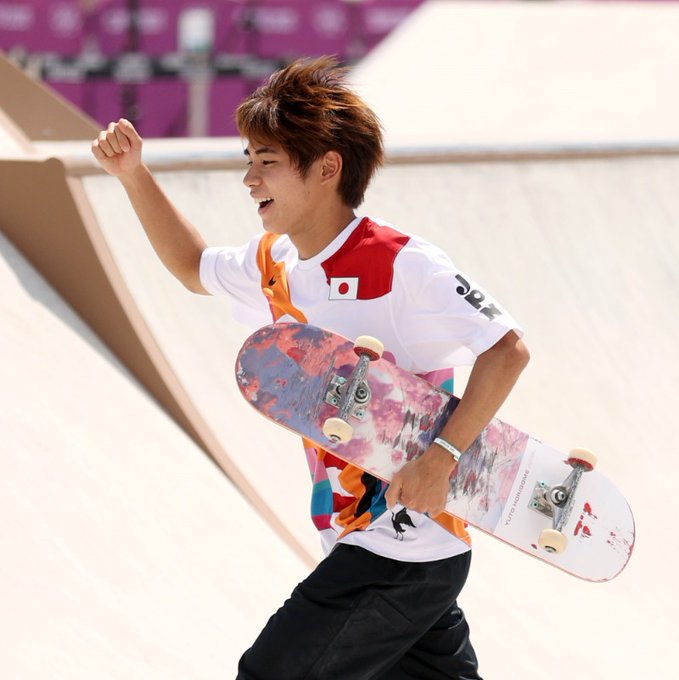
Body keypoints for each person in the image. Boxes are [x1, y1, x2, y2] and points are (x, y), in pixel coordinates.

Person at [92, 56, 529, 680]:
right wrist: (134, 176)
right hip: (378, 545)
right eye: (248, 160)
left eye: (266, 162)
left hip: (399, 546)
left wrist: (445, 458)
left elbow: (507, 349)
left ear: (328, 168)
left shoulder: (402, 264)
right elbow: (192, 267)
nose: (249, 179)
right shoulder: (275, 263)